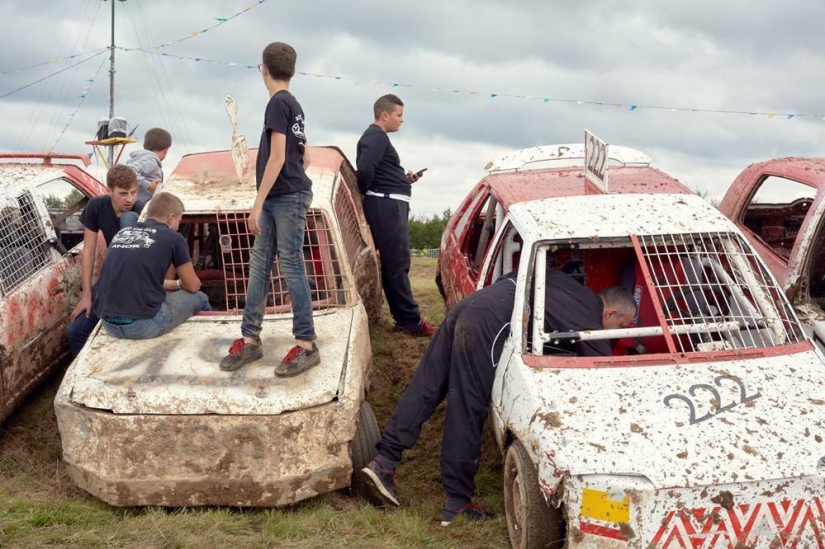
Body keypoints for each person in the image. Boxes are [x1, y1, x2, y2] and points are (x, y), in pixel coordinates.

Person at [359, 268, 637, 526]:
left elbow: (511, 276)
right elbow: (605, 372)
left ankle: (384, 460)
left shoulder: (565, 282)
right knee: (468, 403)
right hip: (489, 321)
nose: (618, 335)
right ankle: (456, 502)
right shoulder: (589, 320)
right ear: (610, 314)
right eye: (621, 326)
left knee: (428, 383)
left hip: (470, 304)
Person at [219, 41, 319, 377]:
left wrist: (257, 202)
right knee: (260, 264)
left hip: (283, 197)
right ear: (292, 70)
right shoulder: (295, 104)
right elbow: (303, 154)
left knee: (290, 265)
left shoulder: (277, 104)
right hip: (288, 192)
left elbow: (278, 156)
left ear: (263, 69)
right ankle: (250, 339)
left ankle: (306, 344)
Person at [356, 94, 435, 337]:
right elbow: (366, 169)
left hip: (391, 202)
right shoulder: (375, 136)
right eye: (399, 115)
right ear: (385, 115)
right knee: (396, 263)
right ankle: (410, 321)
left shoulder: (379, 138)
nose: (402, 120)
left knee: (397, 263)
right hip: (386, 205)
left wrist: (403, 180)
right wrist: (363, 193)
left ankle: (405, 318)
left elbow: (376, 170)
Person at [92, 192, 210, 339]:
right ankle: (203, 342)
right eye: (179, 221)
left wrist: (177, 284)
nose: (178, 226)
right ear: (171, 218)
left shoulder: (123, 233)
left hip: (108, 323)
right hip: (142, 326)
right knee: (201, 298)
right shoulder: (174, 237)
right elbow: (192, 286)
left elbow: (138, 280)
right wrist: (190, 283)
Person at [66, 164, 141, 356]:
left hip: (138, 283)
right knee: (75, 330)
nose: (130, 199)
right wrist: (87, 295)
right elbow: (89, 251)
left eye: (133, 192)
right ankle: (80, 378)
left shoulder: (142, 210)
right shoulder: (97, 206)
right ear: (110, 191)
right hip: (110, 281)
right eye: (123, 193)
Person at [125, 127, 172, 212]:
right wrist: (148, 185)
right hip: (142, 205)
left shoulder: (142, 159)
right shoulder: (151, 161)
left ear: (144, 146)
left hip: (135, 203)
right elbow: (129, 171)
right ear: (166, 150)